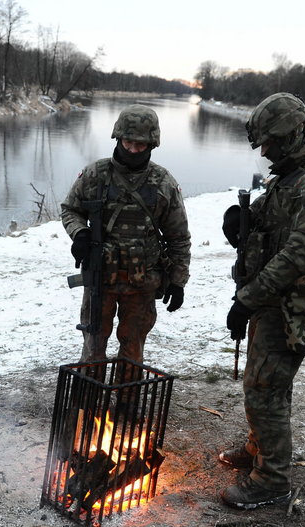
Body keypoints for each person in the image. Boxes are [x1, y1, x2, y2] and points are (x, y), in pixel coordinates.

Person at [219, 93, 305, 509]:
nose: (264, 152)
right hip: (272, 300)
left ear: (291, 136)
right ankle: (260, 449)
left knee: (266, 388)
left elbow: (299, 255)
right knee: (262, 382)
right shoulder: (290, 176)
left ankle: (271, 480)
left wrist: (246, 300)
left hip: (294, 304)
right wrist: (240, 220)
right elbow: (270, 220)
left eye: (269, 144)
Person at [61, 104, 191, 373]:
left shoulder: (164, 183)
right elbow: (71, 209)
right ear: (118, 137)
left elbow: (178, 237)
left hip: (142, 284)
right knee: (93, 346)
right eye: (128, 142)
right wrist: (80, 233)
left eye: (140, 145)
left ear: (152, 144)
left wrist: (178, 282)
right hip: (100, 280)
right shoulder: (95, 175)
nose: (132, 149)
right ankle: (89, 404)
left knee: (133, 349)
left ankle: (127, 407)